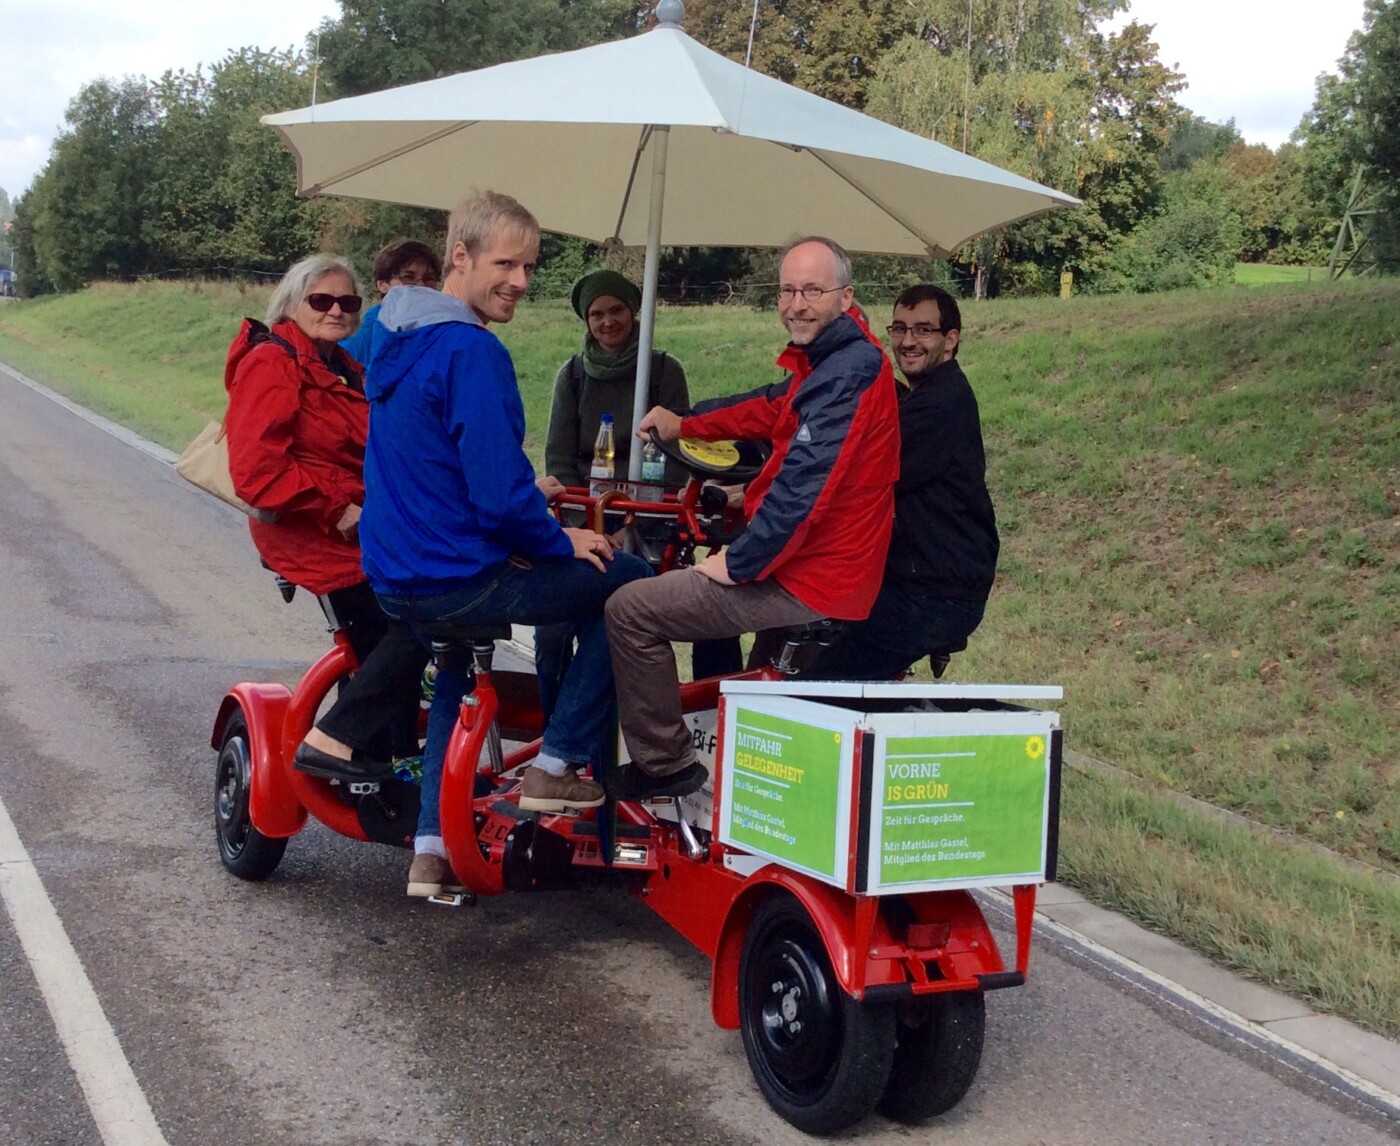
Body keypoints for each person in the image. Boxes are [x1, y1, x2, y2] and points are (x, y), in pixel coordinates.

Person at [357, 191, 652, 897]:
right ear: (458, 257)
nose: (521, 280)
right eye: (505, 263)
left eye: (529, 266)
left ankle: (429, 852)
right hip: (454, 575)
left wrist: (529, 507)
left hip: (398, 576)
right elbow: (494, 495)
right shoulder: (470, 348)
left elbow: (451, 466)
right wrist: (558, 537)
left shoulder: (394, 338)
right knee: (632, 585)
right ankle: (556, 763)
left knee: (457, 662)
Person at [605, 236, 901, 800]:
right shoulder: (833, 361)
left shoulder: (849, 372)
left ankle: (665, 763)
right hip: (820, 567)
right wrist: (684, 423)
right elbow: (770, 406)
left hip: (811, 576)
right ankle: (750, 798)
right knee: (754, 699)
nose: (797, 303)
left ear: (846, 296)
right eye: (787, 290)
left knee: (630, 610)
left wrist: (737, 563)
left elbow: (802, 497)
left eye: (813, 290)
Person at [224, 254, 428, 781]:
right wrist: (338, 511)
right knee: (418, 619)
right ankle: (346, 745)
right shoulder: (273, 361)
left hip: (360, 522)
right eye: (322, 300)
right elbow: (258, 472)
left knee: (415, 619)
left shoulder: (341, 366)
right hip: (310, 529)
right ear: (294, 303)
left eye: (348, 302)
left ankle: (387, 755)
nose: (336, 310)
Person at [805, 284, 997, 680]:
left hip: (932, 594)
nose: (908, 341)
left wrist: (761, 492)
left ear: (951, 340)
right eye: (899, 329)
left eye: (923, 330)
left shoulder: (940, 406)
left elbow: (859, 474)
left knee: (815, 687)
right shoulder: (918, 396)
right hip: (915, 581)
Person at [543, 268, 689, 487]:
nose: (608, 322)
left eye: (617, 310)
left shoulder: (666, 371)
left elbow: (678, 453)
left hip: (651, 506)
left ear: (631, 311)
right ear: (587, 320)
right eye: (597, 314)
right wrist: (582, 517)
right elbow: (559, 459)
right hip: (587, 506)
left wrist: (645, 516)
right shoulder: (571, 376)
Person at [338, 238, 442, 368]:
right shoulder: (370, 330)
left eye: (429, 278)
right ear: (382, 285)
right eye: (408, 277)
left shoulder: (443, 327)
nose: (421, 285)